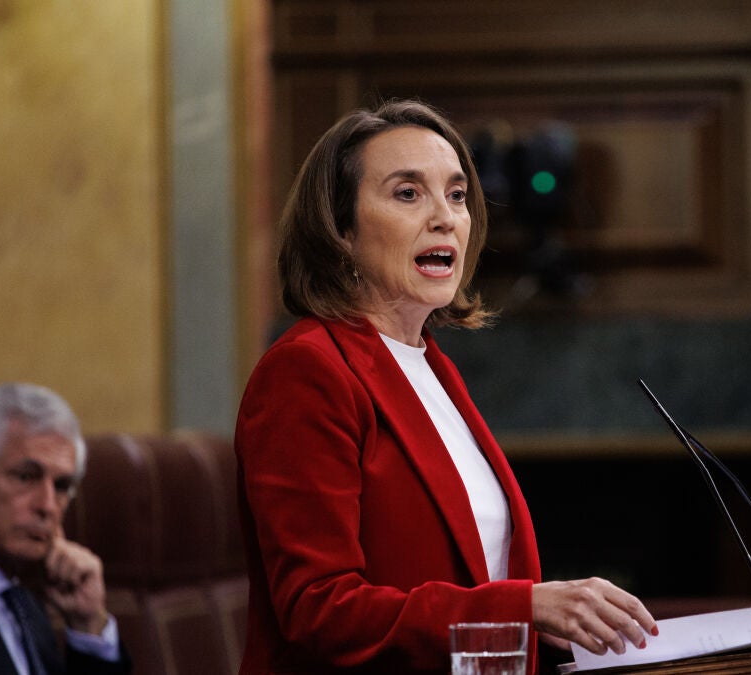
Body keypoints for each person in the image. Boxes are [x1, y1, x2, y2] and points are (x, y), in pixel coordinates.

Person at [235, 99, 658, 674]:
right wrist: (525, 607)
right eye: (408, 193)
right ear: (340, 230)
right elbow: (319, 609)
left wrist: (574, 629)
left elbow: (474, 580)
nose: (445, 217)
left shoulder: (432, 367)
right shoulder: (306, 371)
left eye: (457, 195)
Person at [0, 383, 130, 675]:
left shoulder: (25, 601)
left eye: (61, 486)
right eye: (26, 477)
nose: (48, 506)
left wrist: (87, 624)